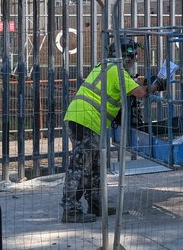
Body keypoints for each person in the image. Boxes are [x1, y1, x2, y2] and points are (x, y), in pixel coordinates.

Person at [60, 37, 165, 223]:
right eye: (133, 59)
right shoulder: (117, 70)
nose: (134, 62)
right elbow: (140, 92)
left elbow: (130, 86)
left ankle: (96, 204)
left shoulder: (106, 66)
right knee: (79, 168)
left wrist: (142, 83)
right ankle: (70, 210)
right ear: (127, 58)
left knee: (94, 167)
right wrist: (156, 86)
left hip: (82, 118)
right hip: (86, 120)